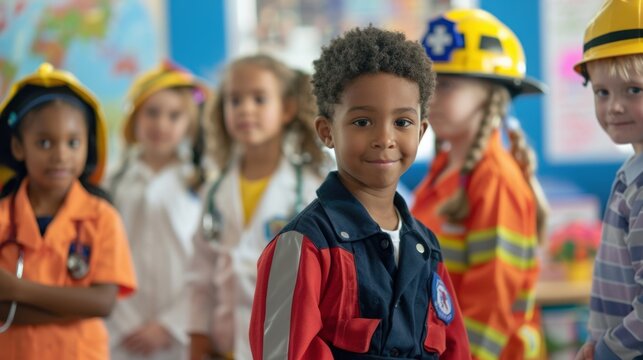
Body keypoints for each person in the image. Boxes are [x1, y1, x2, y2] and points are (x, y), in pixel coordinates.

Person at [249, 26, 470, 359]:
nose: (385, 138)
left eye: (403, 122)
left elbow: (455, 349)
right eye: (363, 122)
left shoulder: (426, 248)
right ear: (327, 131)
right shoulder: (304, 244)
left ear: (422, 131)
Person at [411, 9, 549, 360]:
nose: (431, 98)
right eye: (428, 86)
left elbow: (491, 306)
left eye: (448, 86)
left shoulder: (495, 181)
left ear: (491, 96)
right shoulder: (444, 167)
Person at [188, 54, 328, 360]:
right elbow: (200, 276)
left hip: (290, 346)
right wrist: (197, 342)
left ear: (287, 109)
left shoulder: (310, 190)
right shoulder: (214, 191)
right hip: (225, 347)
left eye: (259, 99)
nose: (245, 109)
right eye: (234, 100)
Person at [0, 63, 136, 359]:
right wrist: (74, 306)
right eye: (45, 142)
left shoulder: (103, 217)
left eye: (73, 142)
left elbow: (102, 303)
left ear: (89, 145)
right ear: (18, 147)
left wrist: (15, 289)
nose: (61, 155)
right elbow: (88, 305)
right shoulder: (2, 217)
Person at [105, 61, 209, 360]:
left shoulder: (200, 183)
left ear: (188, 123)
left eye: (174, 116)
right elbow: (106, 254)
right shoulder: (114, 181)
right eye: (152, 112)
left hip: (178, 332)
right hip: (121, 328)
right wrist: (124, 321)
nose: (161, 124)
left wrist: (169, 324)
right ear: (135, 118)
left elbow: (205, 263)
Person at [573, 1, 643, 359]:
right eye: (602, 92)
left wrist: (605, 351)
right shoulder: (631, 174)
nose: (614, 106)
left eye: (634, 90)